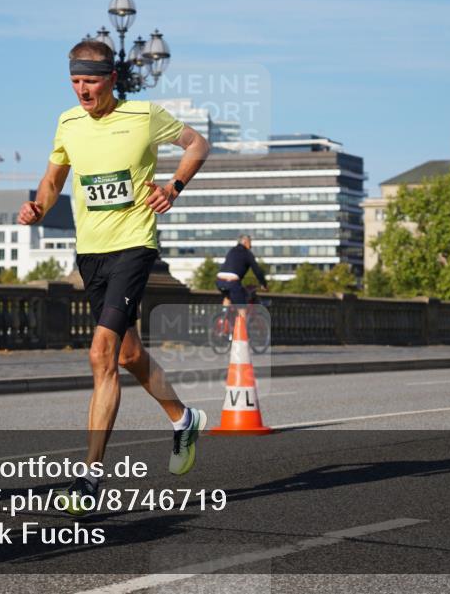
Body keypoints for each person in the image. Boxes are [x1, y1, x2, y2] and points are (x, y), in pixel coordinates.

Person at [18, 40, 211, 516]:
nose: (82, 89)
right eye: (75, 81)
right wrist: (39, 206)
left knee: (100, 354)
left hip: (133, 246)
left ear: (111, 79)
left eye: (91, 80)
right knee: (127, 354)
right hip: (91, 253)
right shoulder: (67, 122)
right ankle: (184, 419)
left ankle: (89, 477)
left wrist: (174, 187)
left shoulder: (143, 115)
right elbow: (53, 179)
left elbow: (197, 144)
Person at [216, 235, 268, 316]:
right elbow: (257, 270)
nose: (251, 246)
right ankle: (242, 326)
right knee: (242, 307)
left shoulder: (231, 251)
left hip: (219, 280)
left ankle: (222, 319)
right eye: (250, 243)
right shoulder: (247, 253)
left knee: (228, 297)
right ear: (245, 242)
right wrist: (263, 284)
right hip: (232, 281)